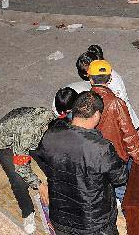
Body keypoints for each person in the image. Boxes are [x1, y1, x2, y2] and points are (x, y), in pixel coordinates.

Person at [35, 92, 128, 235]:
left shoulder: (50, 136)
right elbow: (120, 177)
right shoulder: (100, 148)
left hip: (61, 218)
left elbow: (45, 163)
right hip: (94, 223)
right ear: (97, 115)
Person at [88, 60, 139, 201]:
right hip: (116, 156)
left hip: (96, 157)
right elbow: (129, 135)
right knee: (123, 190)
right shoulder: (116, 103)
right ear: (110, 78)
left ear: (89, 78)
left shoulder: (85, 100)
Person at [0, 106, 56, 233]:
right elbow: (21, 167)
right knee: (18, 179)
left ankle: (56, 187)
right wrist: (40, 186)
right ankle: (27, 212)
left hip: (25, 135)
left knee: (49, 160)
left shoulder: (52, 120)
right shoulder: (27, 135)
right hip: (5, 144)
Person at [54, 46, 139, 129]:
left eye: (87, 73)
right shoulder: (101, 77)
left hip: (124, 120)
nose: (85, 75)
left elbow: (121, 111)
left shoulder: (114, 86)